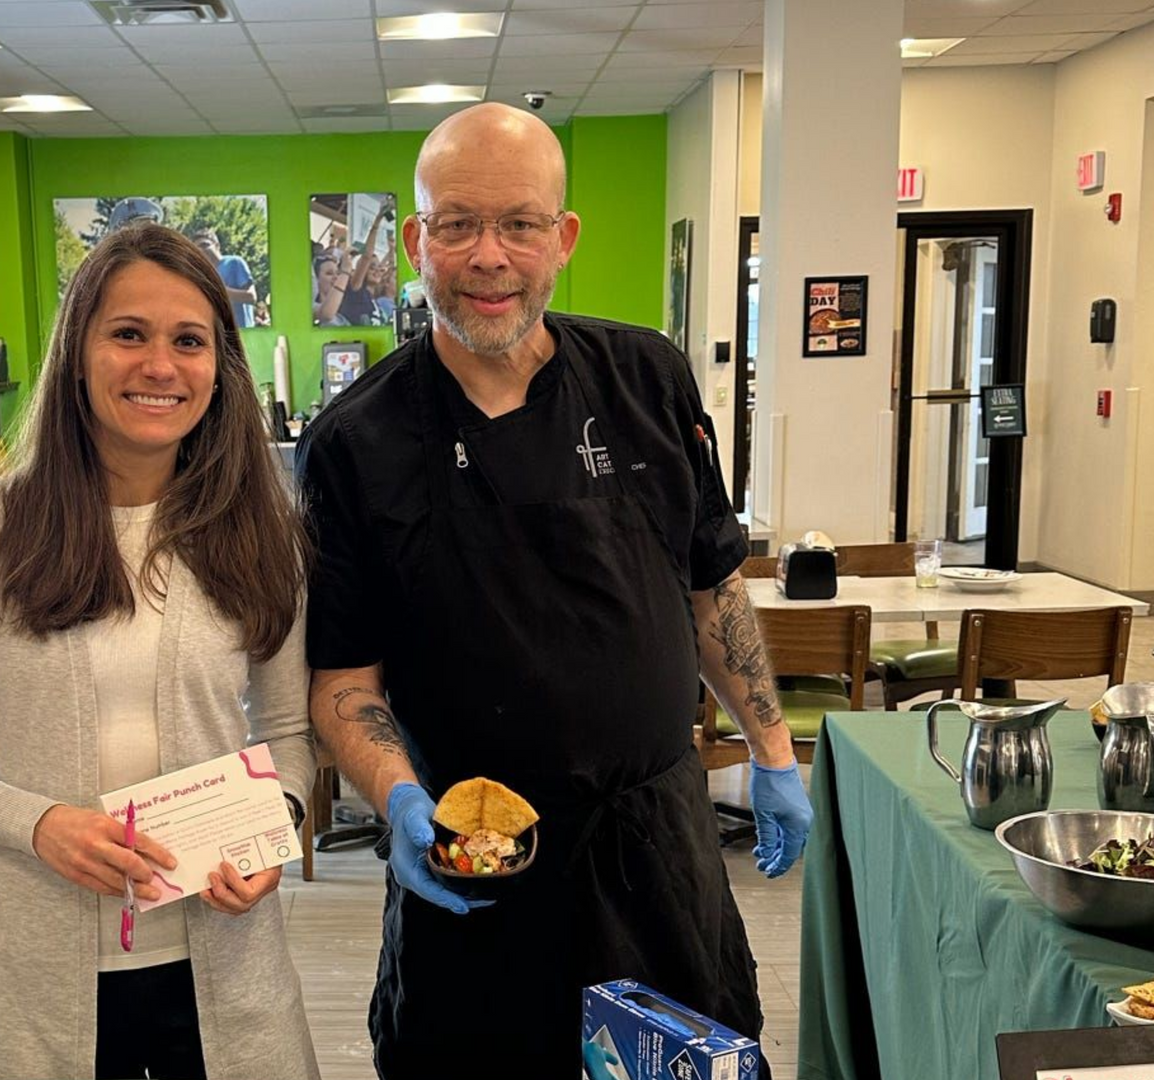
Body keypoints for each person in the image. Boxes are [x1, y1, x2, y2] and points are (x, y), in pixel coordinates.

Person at [294, 103, 813, 1079]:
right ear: (416, 242)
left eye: (520, 223)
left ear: (562, 240)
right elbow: (342, 680)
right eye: (457, 224)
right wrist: (397, 798)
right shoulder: (353, 444)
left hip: (653, 849)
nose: (490, 255)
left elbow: (713, 591)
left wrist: (773, 747)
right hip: (475, 863)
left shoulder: (647, 380)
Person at [0, 223, 321, 1080]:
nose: (160, 366)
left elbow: (289, 737)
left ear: (220, 368)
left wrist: (278, 829)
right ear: (77, 352)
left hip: (223, 959)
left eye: (189, 341)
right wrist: (39, 826)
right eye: (128, 334)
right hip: (40, 957)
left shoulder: (265, 535)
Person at [190, 227, 258, 329]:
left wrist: (221, 292)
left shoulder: (234, 262)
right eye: (197, 249)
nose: (201, 251)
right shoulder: (202, 275)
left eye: (205, 245)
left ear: (217, 245)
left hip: (243, 333)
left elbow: (252, 297)